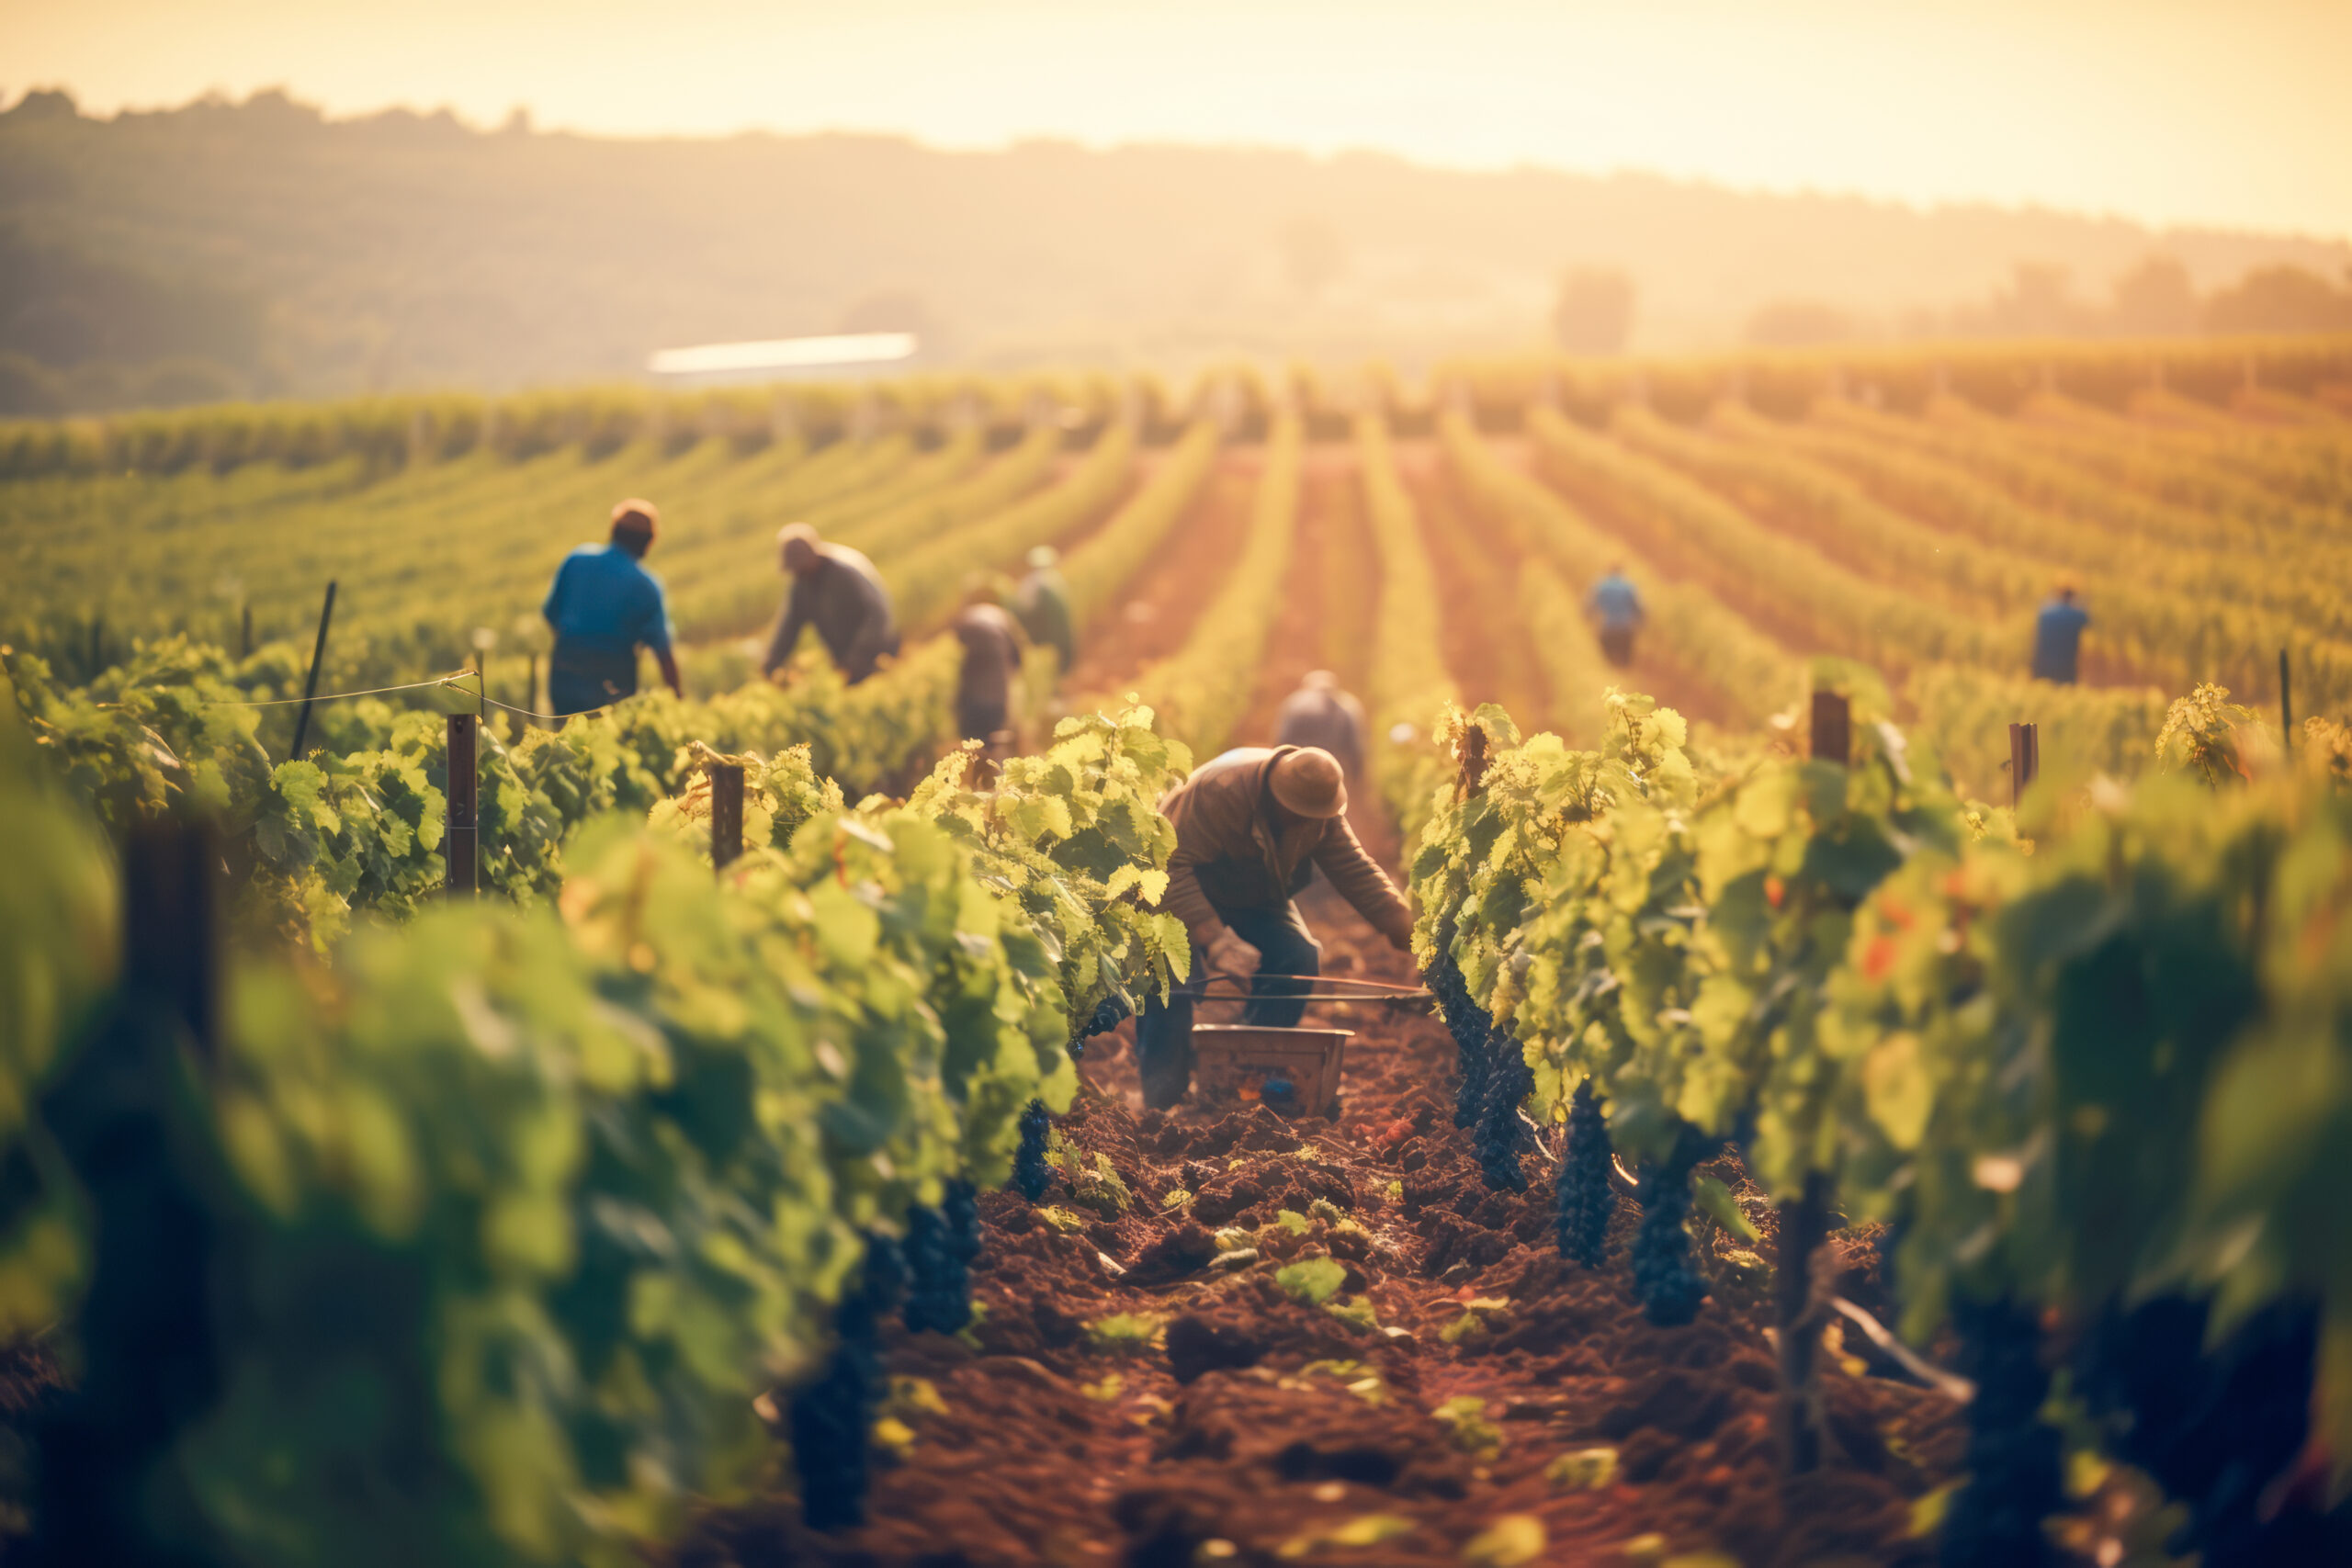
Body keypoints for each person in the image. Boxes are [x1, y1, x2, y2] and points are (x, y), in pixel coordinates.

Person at [1134, 745, 1416, 1111]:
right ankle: (1162, 1101)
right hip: (1178, 894)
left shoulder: (1319, 811)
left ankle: (1241, 1076)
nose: (1308, 822)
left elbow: (1354, 869)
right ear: (1275, 795)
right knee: (1170, 980)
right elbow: (1168, 866)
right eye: (1300, 815)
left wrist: (1407, 929)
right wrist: (1216, 940)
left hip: (1255, 893)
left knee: (1298, 956)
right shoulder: (1216, 791)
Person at [541, 499, 682, 716]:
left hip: (563, 676)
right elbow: (663, 652)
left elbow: (551, 614)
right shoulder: (645, 585)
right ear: (648, 542)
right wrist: (678, 700)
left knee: (562, 744)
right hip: (612, 685)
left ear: (614, 530)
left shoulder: (577, 560)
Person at [763, 523, 899, 684]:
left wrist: (860, 654)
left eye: (802, 568)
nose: (799, 574)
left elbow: (879, 614)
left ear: (813, 557)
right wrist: (772, 661)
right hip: (845, 659)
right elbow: (790, 626)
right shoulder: (801, 584)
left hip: (878, 652)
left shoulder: (845, 573)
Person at [950, 583, 1025, 750]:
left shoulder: (966, 618)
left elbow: (955, 656)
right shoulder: (1002, 617)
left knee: (971, 747)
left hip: (971, 697)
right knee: (992, 745)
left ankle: (975, 771)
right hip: (996, 697)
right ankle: (991, 770)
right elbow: (1018, 660)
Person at [1273, 671, 1366, 784]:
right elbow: (1355, 747)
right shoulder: (1348, 706)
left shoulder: (1295, 704)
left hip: (1300, 769)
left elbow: (1283, 739)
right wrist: (1357, 776)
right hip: (1334, 770)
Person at [1012, 545, 1076, 679]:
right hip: (1058, 632)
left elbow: (1024, 609)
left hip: (1042, 633)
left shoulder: (1031, 583)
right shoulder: (1057, 580)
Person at [1587, 563, 1644, 668]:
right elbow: (1639, 608)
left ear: (1609, 573)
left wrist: (1588, 618)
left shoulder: (1602, 586)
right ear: (1621, 573)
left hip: (1608, 629)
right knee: (1625, 664)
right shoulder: (1628, 587)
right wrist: (1640, 622)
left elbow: (1590, 606)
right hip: (1625, 630)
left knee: (1608, 665)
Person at [2033, 585, 2089, 684]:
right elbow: (2087, 618)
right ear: (2072, 598)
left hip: (2046, 661)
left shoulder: (2047, 614)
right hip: (2067, 662)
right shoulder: (2077, 616)